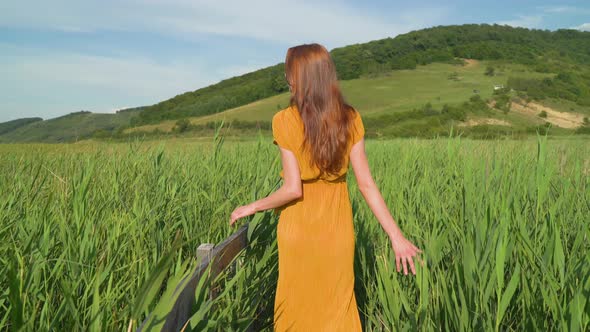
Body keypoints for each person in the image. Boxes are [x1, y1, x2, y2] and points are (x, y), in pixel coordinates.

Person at [230, 43, 422, 331]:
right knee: (337, 307)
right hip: (336, 230)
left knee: (295, 308)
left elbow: (293, 189)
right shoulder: (350, 118)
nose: (287, 81)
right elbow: (367, 184)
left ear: (297, 79)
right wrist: (396, 237)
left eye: (288, 75)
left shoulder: (284, 120)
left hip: (298, 229)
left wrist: (253, 206)